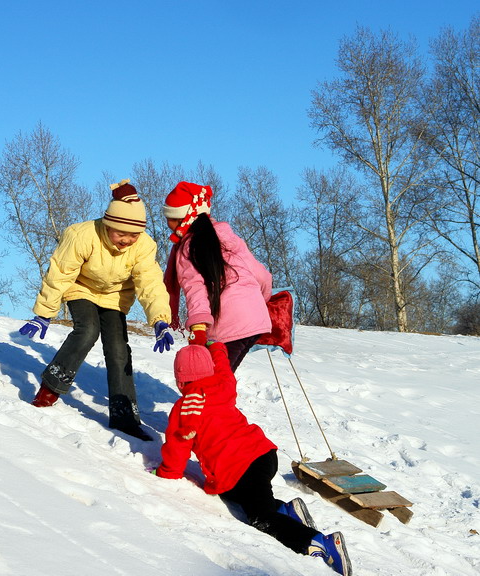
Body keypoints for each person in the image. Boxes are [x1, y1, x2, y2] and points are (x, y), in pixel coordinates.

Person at [153, 344, 352, 576]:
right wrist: (216, 347)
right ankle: (287, 510)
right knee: (232, 493)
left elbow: (177, 450)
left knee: (261, 518)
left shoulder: (184, 410)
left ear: (179, 381)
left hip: (241, 468)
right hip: (263, 455)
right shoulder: (223, 385)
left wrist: (166, 472)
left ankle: (321, 544)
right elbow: (225, 366)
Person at [19, 180, 174, 441]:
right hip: (81, 288)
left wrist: (159, 319)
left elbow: (150, 283)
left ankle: (125, 415)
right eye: (120, 233)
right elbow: (60, 273)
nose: (126, 240)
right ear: (107, 224)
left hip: (115, 298)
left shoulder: (144, 246)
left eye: (133, 235)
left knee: (118, 348)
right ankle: (51, 387)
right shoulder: (82, 235)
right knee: (87, 330)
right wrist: (44, 313)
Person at [162, 181, 272, 372]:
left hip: (227, 325)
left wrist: (198, 326)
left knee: (211, 385)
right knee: (222, 380)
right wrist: (259, 303)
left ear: (182, 219)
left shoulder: (188, 246)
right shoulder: (228, 237)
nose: (167, 223)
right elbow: (262, 276)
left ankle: (215, 402)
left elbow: (195, 287)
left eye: (169, 217)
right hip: (255, 319)